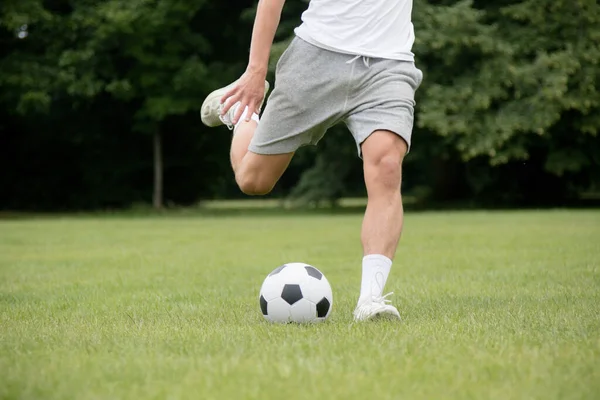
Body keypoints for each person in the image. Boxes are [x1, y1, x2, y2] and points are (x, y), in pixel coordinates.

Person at [200, 0, 423, 321]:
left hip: (389, 65)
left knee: (387, 164)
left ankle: (372, 301)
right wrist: (255, 72)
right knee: (254, 181)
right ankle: (241, 113)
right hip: (317, 56)